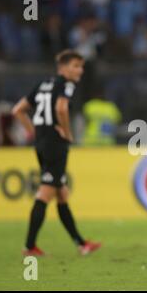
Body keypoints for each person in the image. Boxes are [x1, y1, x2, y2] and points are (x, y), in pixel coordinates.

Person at [12, 49, 101, 256]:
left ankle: (81, 244)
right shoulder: (65, 84)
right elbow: (61, 109)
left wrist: (35, 132)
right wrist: (67, 133)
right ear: (62, 67)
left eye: (81, 67)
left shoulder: (43, 84)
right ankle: (29, 246)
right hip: (55, 144)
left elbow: (18, 110)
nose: (80, 71)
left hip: (43, 143)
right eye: (76, 66)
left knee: (61, 193)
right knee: (46, 192)